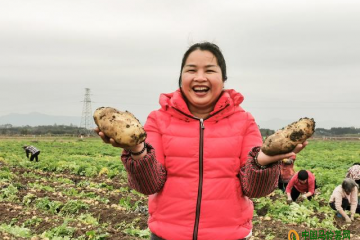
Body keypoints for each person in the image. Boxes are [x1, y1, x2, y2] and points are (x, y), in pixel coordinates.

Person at [95, 42, 307, 240]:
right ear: (181, 77)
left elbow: (255, 190)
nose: (200, 77)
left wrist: (264, 162)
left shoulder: (244, 121)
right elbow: (149, 185)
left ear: (223, 79)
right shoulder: (158, 120)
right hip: (167, 235)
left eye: (209, 70)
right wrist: (137, 150)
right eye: (191, 70)